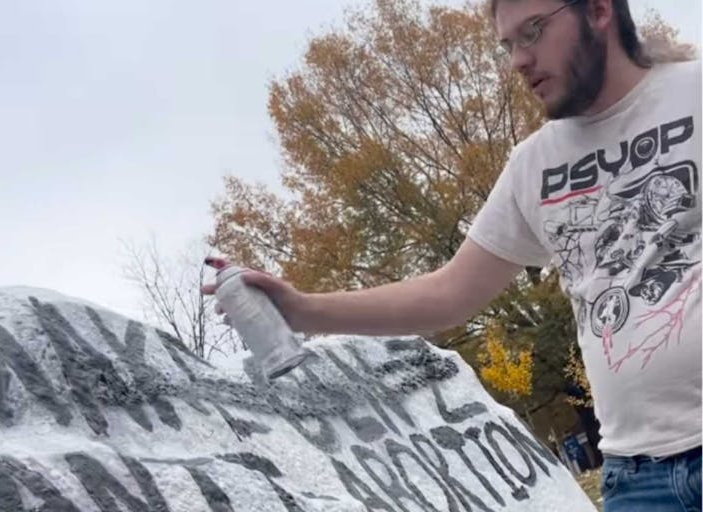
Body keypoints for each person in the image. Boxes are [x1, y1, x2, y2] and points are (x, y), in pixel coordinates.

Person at [204, 0, 701, 510]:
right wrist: (300, 308)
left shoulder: (694, 93)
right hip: (638, 479)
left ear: (598, 11)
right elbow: (447, 293)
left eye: (532, 32)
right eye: (507, 44)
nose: (517, 60)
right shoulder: (536, 164)